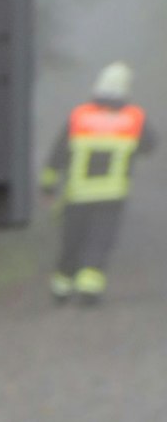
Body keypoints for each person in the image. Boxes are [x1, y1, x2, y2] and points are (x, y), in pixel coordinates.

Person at [43, 62, 156, 303]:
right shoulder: (134, 118)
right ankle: (89, 289)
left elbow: (58, 153)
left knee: (72, 239)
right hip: (112, 195)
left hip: (77, 195)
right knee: (100, 240)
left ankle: (61, 288)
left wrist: (48, 185)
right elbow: (150, 145)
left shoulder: (80, 116)